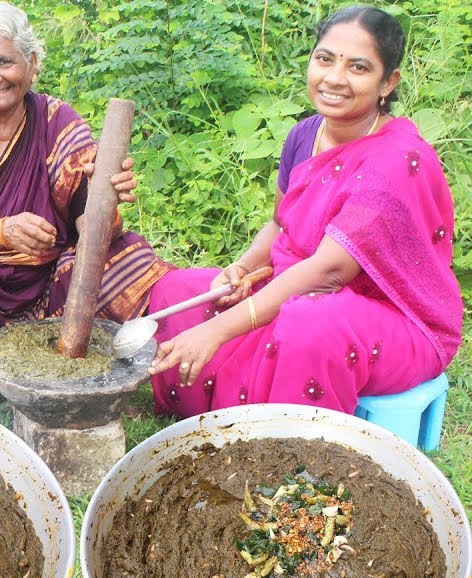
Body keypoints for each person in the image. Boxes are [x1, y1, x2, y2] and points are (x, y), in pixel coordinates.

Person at [146, 6, 462, 417]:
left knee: (309, 326)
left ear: (388, 82)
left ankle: (294, 454)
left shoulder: (394, 159)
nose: (334, 78)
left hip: (390, 315)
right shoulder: (304, 134)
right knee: (180, 291)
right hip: (301, 288)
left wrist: (218, 330)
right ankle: (200, 417)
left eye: (358, 67)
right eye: (325, 59)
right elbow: (279, 224)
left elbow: (329, 272)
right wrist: (242, 268)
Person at [0, 2, 173, 399]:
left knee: (124, 258)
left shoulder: (58, 122)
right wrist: (0, 232)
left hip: (52, 295)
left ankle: (77, 380)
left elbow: (92, 232)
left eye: (4, 62)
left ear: (32, 63)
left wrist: (105, 200)